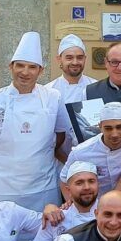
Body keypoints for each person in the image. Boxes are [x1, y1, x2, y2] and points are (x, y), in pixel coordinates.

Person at [0, 31, 68, 213]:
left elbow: (60, 135)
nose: (25, 72)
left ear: (41, 70)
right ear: (11, 67)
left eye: (32, 67)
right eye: (20, 66)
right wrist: (5, 165)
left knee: (43, 235)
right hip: (2, 187)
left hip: (42, 187)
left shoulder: (53, 97)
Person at [47, 34, 96, 177]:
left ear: (85, 60)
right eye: (69, 57)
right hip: (57, 163)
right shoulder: (49, 91)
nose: (75, 62)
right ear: (59, 60)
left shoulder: (95, 88)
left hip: (89, 163)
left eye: (79, 57)